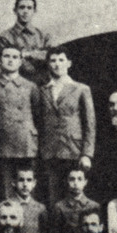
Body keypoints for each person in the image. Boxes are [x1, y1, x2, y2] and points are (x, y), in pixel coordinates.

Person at [39, 46, 96, 205]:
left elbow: (90, 123)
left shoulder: (81, 89)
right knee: (52, 197)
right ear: (48, 64)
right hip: (49, 151)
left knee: (74, 195)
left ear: (69, 63)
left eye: (61, 60)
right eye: (53, 60)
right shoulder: (43, 90)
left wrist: (87, 154)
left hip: (73, 150)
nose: (57, 64)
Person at [0, 45, 40, 199]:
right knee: (5, 191)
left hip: (26, 144)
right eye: (6, 56)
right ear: (0, 60)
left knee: (28, 187)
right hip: (2, 144)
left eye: (15, 57)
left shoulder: (30, 86)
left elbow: (37, 115)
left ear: (21, 61)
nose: (10, 60)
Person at [0, 0, 53, 84]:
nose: (25, 11)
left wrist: (27, 54)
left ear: (34, 11)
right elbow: (5, 64)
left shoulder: (44, 36)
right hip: (16, 85)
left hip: (42, 83)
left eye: (29, 8)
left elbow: (51, 58)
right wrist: (38, 55)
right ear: (15, 10)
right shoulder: (4, 37)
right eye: (22, 7)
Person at [51, 167, 100, 233]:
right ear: (67, 181)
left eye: (80, 179)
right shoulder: (59, 207)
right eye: (72, 179)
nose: (76, 183)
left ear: (85, 182)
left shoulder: (94, 206)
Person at [10, 165, 48, 233]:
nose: (25, 184)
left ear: (34, 183)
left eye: (29, 180)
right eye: (21, 180)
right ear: (14, 182)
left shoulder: (40, 208)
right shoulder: (8, 205)